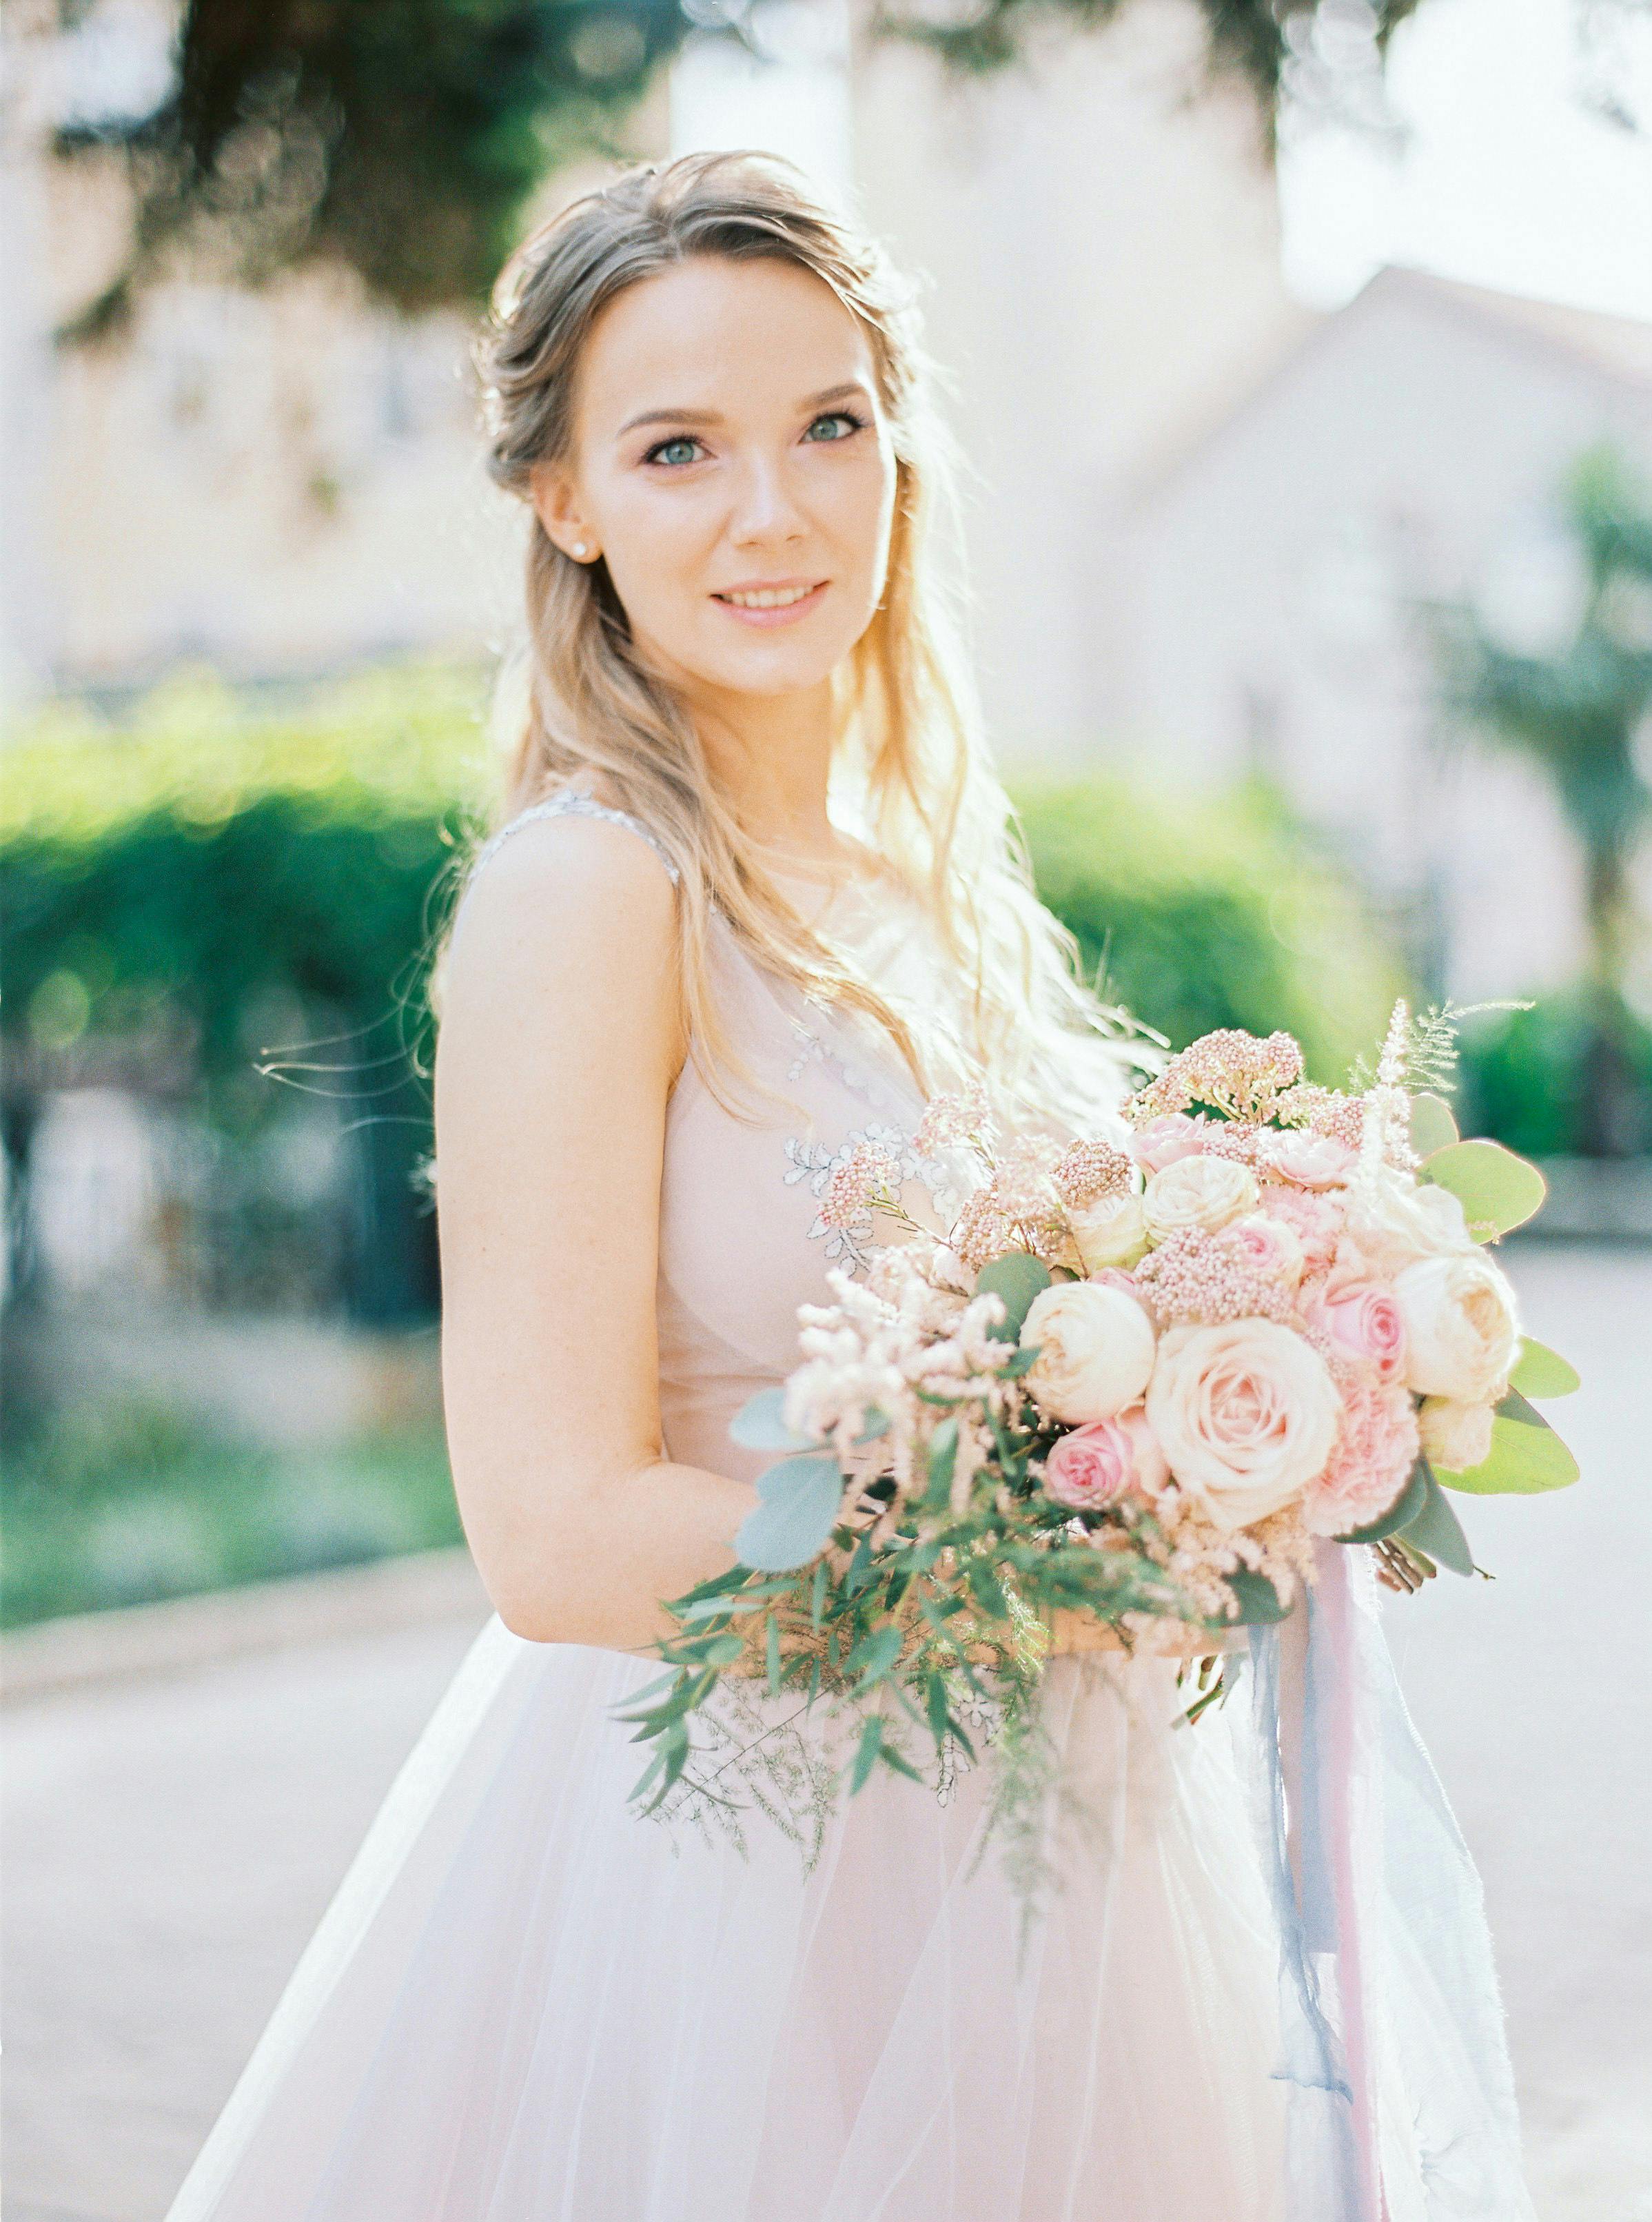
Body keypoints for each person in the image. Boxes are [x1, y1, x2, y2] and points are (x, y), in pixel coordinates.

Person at [164, 150, 1536, 2221]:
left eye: (829, 426)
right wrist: (1049, 1589)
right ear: (565, 500)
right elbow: (550, 1531)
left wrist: (1250, 1416)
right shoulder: (586, 890)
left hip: (1052, 1859)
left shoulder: (926, 897)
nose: (775, 511)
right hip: (731, 1886)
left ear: (900, 442)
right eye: (678, 449)